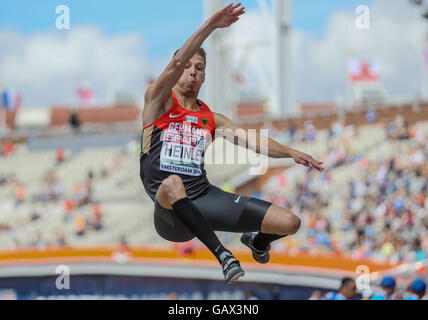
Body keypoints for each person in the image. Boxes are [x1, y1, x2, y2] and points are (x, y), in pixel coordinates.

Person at [140, 2, 324, 284]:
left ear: (204, 76)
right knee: (172, 183)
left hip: (202, 198)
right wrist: (211, 26)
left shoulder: (211, 118)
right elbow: (176, 63)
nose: (191, 71)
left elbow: (251, 140)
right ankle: (224, 255)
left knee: (290, 223)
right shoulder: (158, 101)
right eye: (186, 66)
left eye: (198, 68)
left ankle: (258, 242)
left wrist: (292, 152)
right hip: (169, 211)